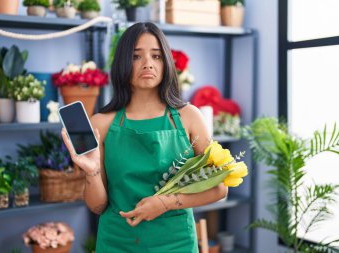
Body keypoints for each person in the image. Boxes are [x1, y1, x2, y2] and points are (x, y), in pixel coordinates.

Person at [61, 22, 228, 253]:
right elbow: (98, 205)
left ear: (166, 62)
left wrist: (165, 203)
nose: (148, 63)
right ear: (122, 63)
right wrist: (91, 171)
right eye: (136, 56)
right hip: (117, 242)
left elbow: (220, 188)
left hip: (176, 242)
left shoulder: (189, 117)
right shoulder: (101, 123)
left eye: (156, 56)